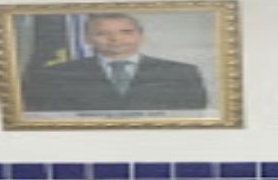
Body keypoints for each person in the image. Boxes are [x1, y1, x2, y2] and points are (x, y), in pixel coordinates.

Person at [21, 14, 208, 112]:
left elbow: (193, 112)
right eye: (102, 33)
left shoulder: (181, 72)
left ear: (141, 36)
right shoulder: (56, 75)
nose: (115, 39)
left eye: (126, 32)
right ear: (87, 39)